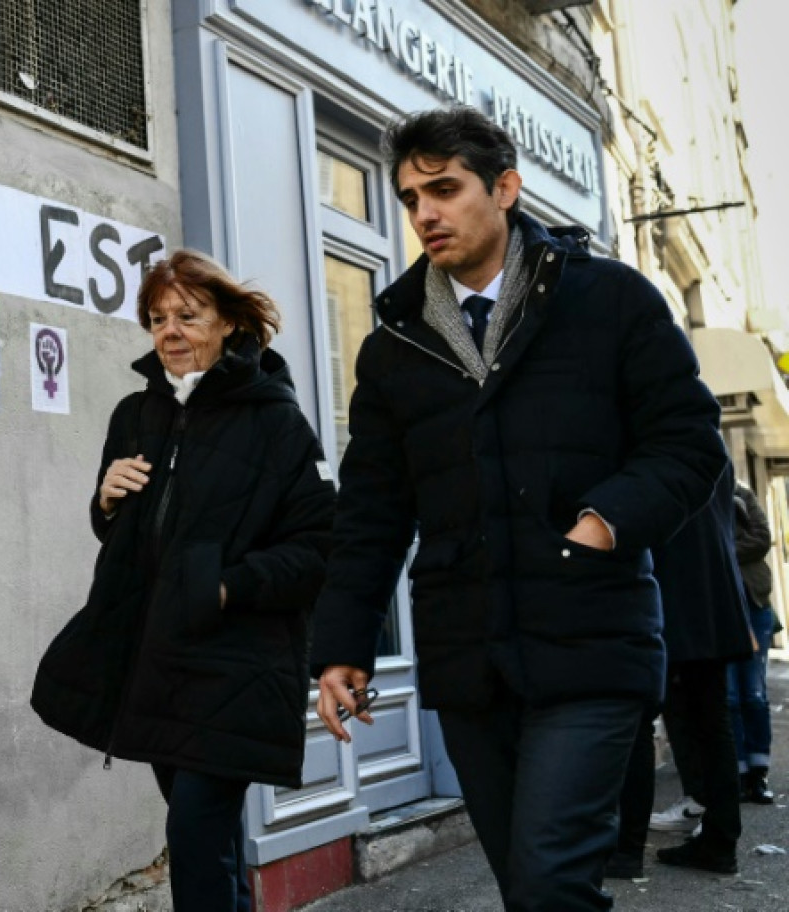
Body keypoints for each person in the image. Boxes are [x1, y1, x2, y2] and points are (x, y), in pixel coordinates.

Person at [309, 106, 725, 912]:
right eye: (409, 198)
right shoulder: (395, 342)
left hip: (592, 639)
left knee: (547, 882)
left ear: (504, 188)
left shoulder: (607, 299)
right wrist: (342, 646)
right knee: (528, 889)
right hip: (470, 659)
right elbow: (371, 511)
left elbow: (687, 443)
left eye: (444, 188)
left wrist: (602, 524)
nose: (425, 213)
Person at [31, 249, 338, 912]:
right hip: (157, 658)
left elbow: (316, 549)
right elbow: (138, 537)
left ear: (228, 322)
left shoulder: (276, 422)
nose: (170, 331)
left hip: (235, 661)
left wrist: (226, 588)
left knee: (195, 834)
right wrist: (105, 504)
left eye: (189, 316)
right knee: (212, 840)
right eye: (157, 318)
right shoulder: (134, 414)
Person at [608, 464, 753, 879]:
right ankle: (720, 839)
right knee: (712, 723)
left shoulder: (660, 442)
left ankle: (629, 850)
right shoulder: (709, 442)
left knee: (644, 723)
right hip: (713, 598)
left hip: (676, 598)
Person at [729, 480, 780, 804]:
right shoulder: (694, 496)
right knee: (730, 696)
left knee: (754, 694)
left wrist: (722, 550)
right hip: (718, 610)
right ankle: (737, 772)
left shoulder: (740, 494)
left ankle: (758, 773)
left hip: (753, 606)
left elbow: (761, 539)